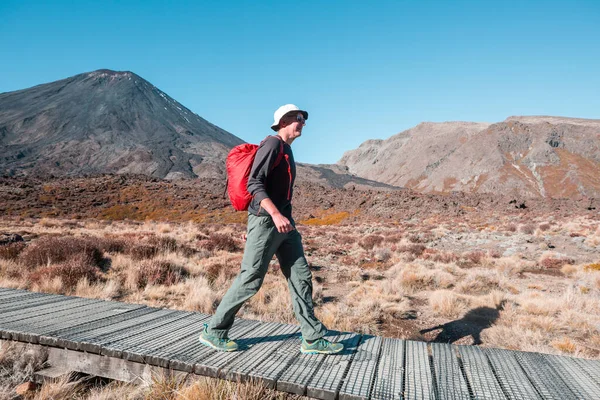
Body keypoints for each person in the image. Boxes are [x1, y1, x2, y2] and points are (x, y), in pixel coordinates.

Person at [199, 104, 343, 354]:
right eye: (298, 118)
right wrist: (270, 217)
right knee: (251, 279)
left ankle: (311, 337)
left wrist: (280, 216)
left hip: (284, 223)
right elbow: (255, 183)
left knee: (301, 276)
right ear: (284, 120)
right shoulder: (273, 144)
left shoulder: (286, 149)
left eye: (303, 119)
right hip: (268, 221)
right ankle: (215, 330)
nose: (303, 123)